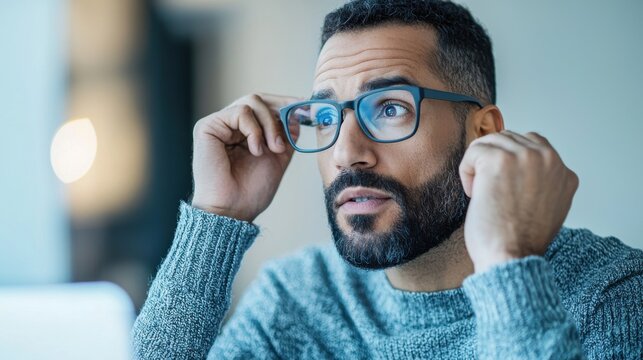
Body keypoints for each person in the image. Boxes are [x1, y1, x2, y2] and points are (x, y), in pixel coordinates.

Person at [132, 0, 643, 358]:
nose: (347, 154)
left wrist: (509, 270)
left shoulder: (612, 297)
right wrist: (216, 219)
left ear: (482, 132)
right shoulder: (300, 299)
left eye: (391, 108)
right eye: (327, 118)